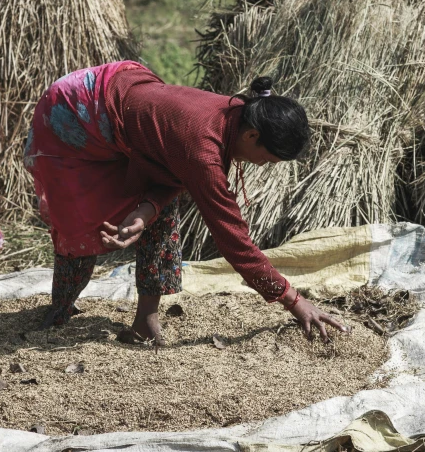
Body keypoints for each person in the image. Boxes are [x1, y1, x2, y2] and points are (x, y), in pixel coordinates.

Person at [23, 60, 347, 344]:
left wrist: (145, 210)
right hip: (74, 112)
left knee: (162, 216)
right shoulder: (204, 149)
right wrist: (294, 300)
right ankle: (59, 311)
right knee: (78, 222)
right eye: (269, 159)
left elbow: (170, 165)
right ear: (251, 136)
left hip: (123, 98)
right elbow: (234, 241)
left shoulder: (234, 112)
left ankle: (145, 321)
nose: (265, 165)